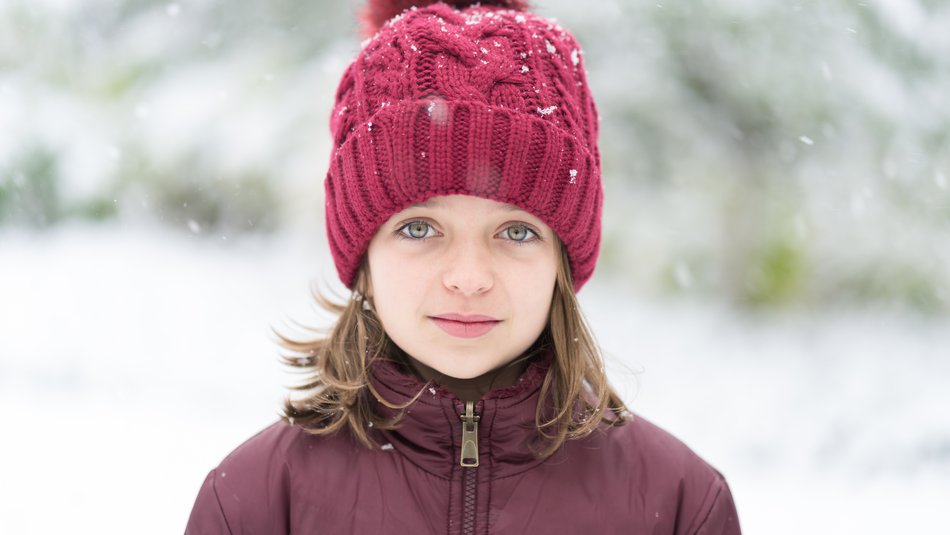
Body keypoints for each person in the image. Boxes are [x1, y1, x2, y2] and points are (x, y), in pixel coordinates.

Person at [185, 0, 742, 533]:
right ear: (363, 257)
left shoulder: (677, 504)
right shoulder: (257, 501)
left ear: (562, 262)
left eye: (517, 231)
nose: (469, 276)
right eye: (420, 229)